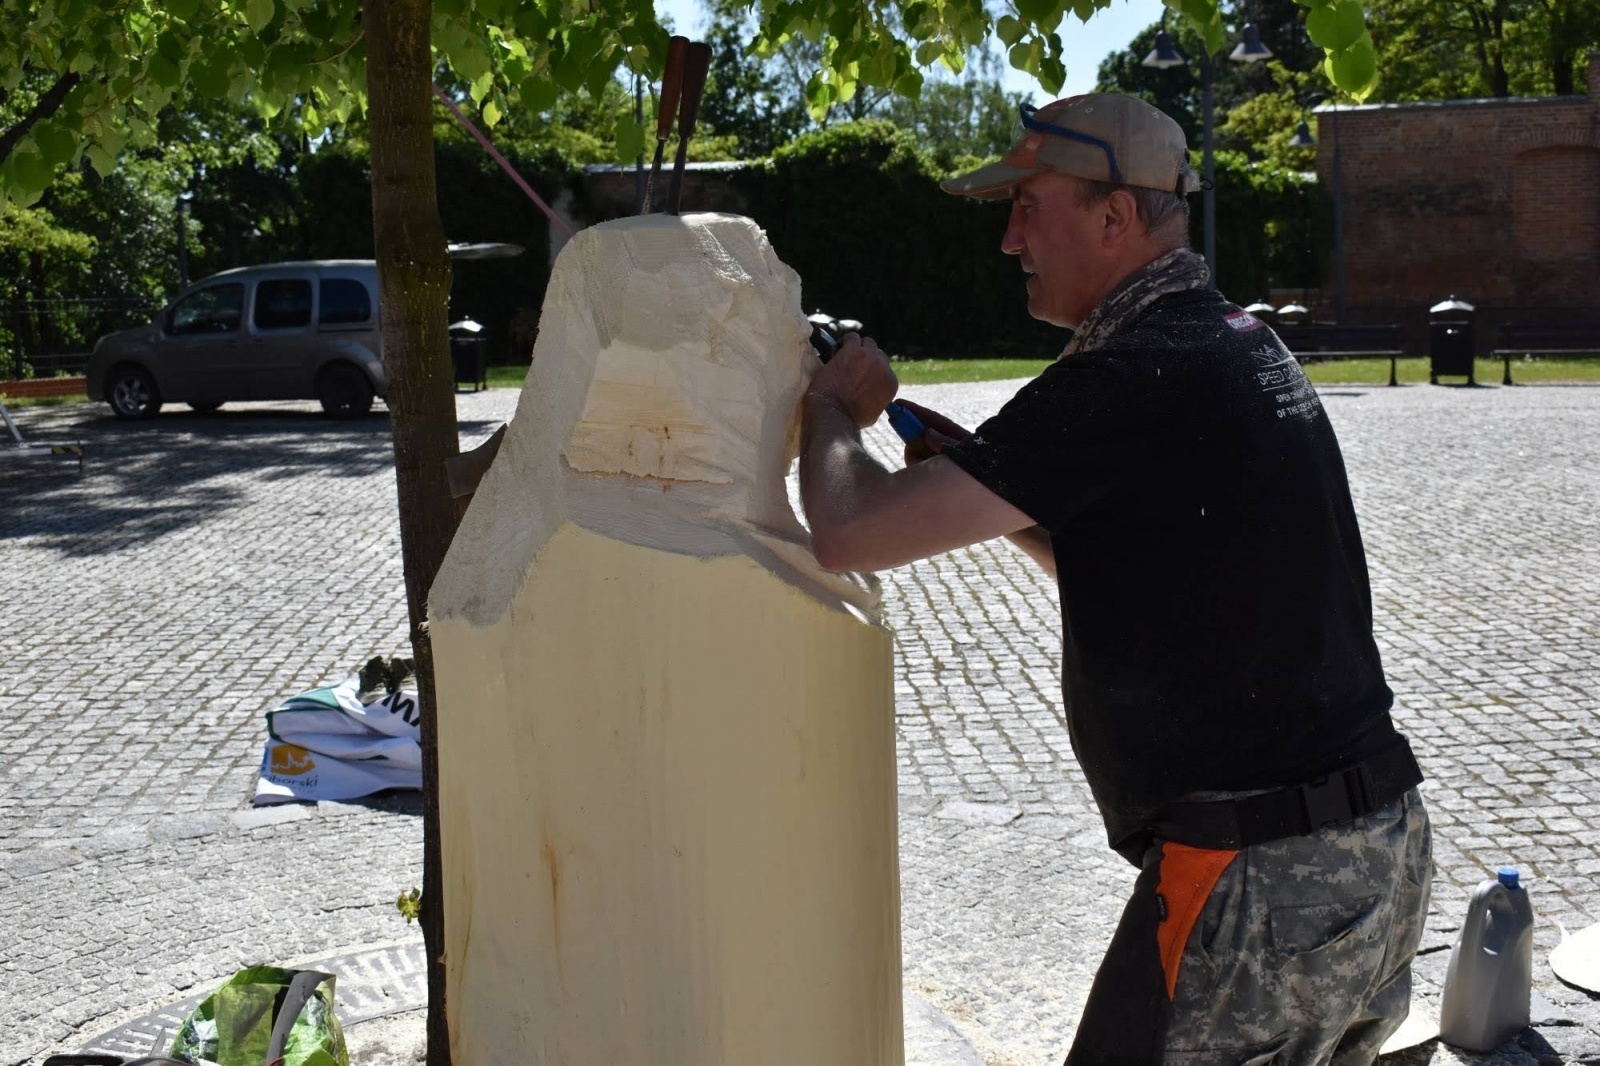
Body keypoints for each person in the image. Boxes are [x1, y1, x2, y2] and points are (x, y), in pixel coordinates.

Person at [798, 93, 1432, 1065]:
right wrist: (1014, 498)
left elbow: (849, 532)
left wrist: (832, 407)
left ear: (1115, 215)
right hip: (1377, 854)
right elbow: (1154, 567)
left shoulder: (1126, 376)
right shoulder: (1231, 338)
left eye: (1027, 206)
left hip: (1257, 878)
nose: (1009, 239)